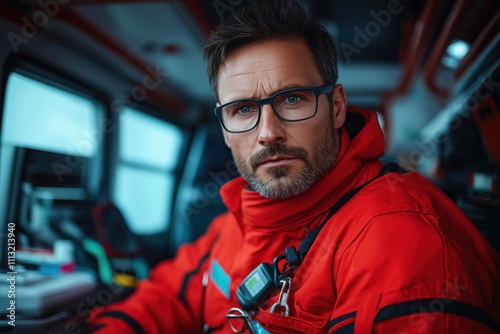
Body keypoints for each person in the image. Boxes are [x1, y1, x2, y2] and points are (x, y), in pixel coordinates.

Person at [88, 0, 500, 333]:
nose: (268, 132)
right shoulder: (237, 220)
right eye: (243, 109)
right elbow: (167, 295)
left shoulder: (405, 241)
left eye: (292, 99)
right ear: (225, 127)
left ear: (336, 106)